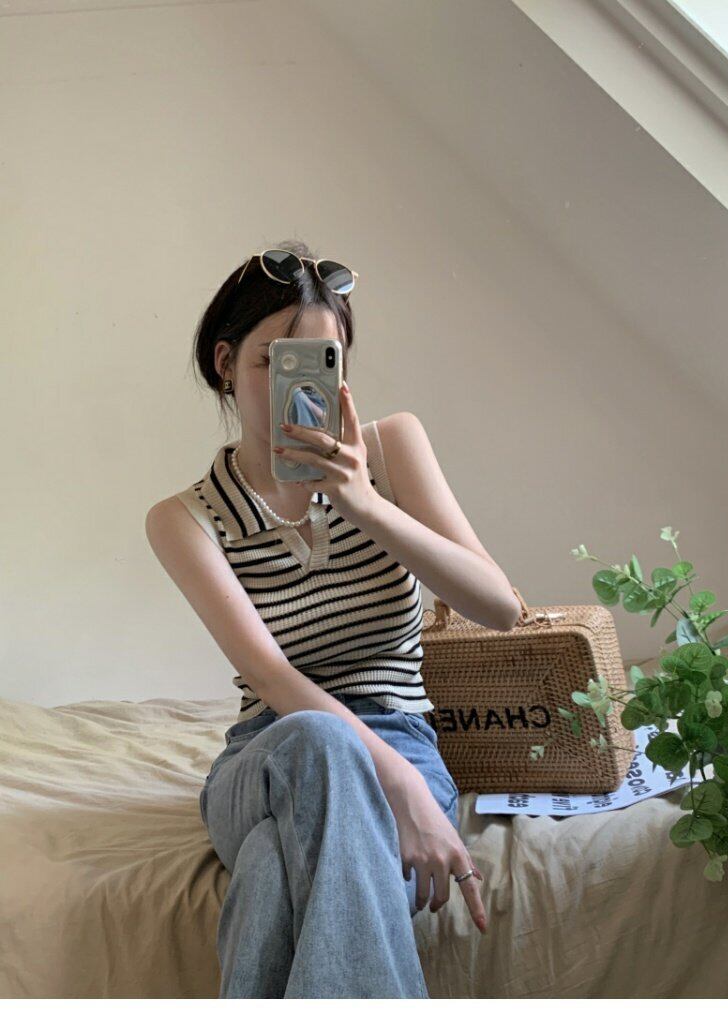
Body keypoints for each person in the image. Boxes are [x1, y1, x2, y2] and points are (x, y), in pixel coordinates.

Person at [145, 241, 521, 998]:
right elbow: (272, 678)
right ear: (226, 363)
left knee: (267, 872)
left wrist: (367, 505)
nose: (301, 384)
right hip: (269, 756)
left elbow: (499, 607)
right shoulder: (185, 519)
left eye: (323, 360)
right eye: (273, 361)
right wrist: (403, 789)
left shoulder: (391, 448)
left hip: (401, 735)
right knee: (319, 739)